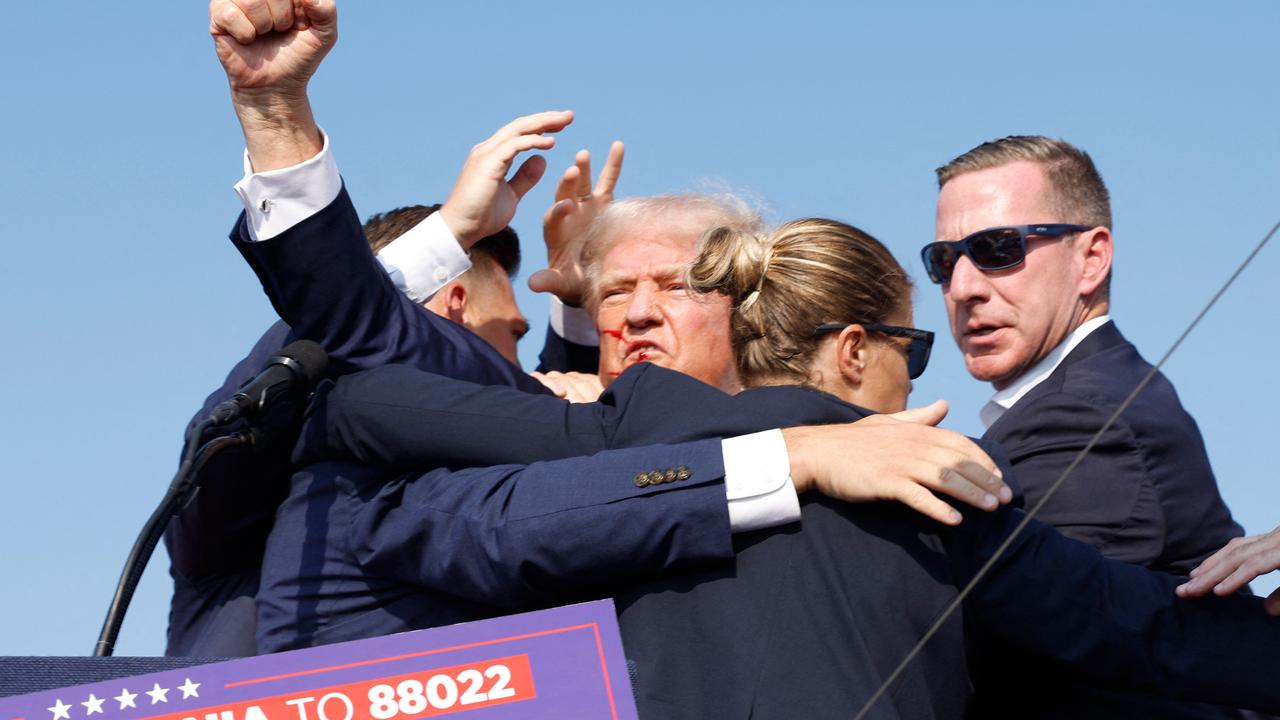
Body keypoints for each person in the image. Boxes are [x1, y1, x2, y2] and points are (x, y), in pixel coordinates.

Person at [280, 218, 1280, 718]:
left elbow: (350, 406)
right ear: (851, 351)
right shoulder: (939, 477)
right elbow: (1145, 634)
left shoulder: (618, 428)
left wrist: (565, 384)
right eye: (908, 351)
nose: (915, 385)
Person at [924, 136, 1249, 717]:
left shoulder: (1083, 416)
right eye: (945, 261)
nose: (965, 288)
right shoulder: (1083, 398)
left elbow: (997, 659)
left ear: (1092, 258)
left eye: (998, 249)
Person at [165, 203, 527, 657]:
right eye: (515, 335)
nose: (519, 365)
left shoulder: (458, 505)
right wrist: (441, 241)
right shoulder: (255, 475)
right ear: (456, 309)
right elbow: (555, 426)